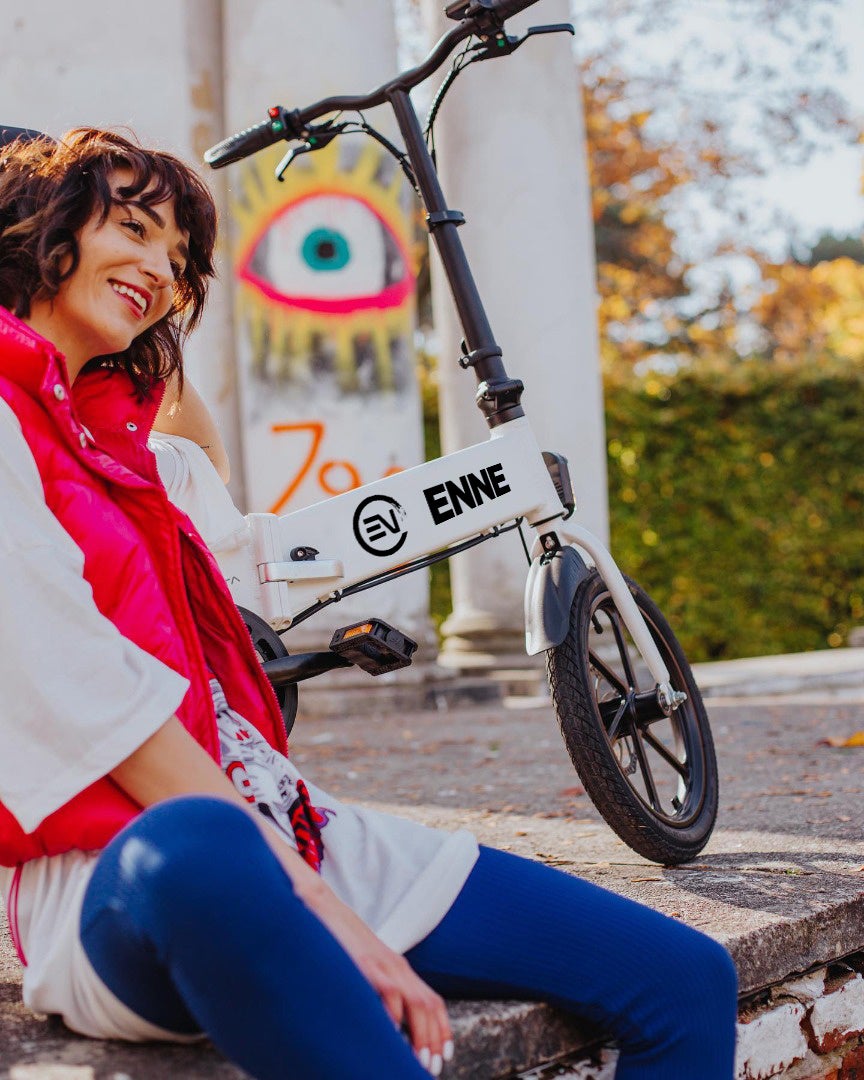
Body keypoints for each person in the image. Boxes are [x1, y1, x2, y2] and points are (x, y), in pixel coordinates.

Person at [0, 127, 738, 1080]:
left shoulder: (143, 462)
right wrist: (327, 913)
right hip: (127, 873)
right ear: (41, 224)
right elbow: (97, 706)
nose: (158, 271)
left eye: (178, 261)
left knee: (685, 979)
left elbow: (243, 537)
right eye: (133, 229)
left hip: (289, 825)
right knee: (202, 843)